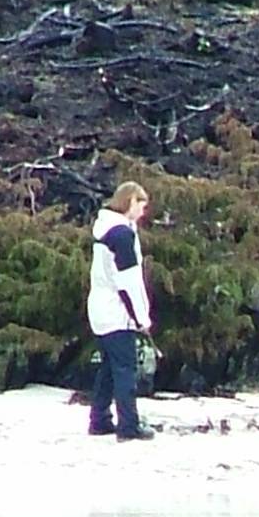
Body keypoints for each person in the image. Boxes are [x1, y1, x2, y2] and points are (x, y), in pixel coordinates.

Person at [87, 181, 155, 441]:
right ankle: (129, 425)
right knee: (125, 369)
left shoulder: (106, 229)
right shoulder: (121, 235)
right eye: (141, 205)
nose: (143, 211)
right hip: (116, 312)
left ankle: (99, 419)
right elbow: (128, 283)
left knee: (108, 368)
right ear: (130, 202)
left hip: (100, 309)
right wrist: (141, 318)